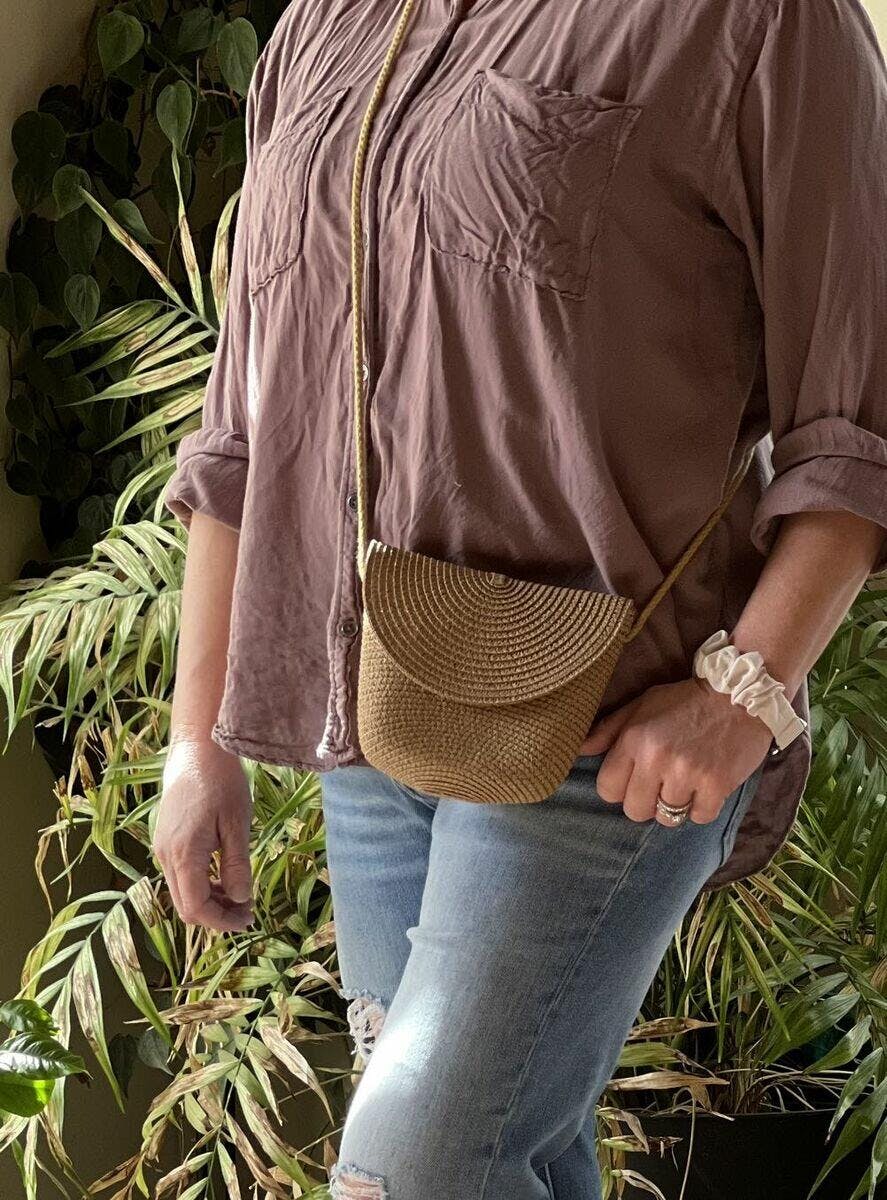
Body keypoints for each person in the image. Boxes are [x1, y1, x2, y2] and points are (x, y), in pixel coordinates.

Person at [153, 1, 887, 1196]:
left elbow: (854, 423)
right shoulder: (326, 22)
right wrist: (195, 743)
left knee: (411, 1170)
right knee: (506, 1159)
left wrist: (742, 696)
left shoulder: (761, 23)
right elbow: (241, 427)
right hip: (372, 723)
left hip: (602, 727)